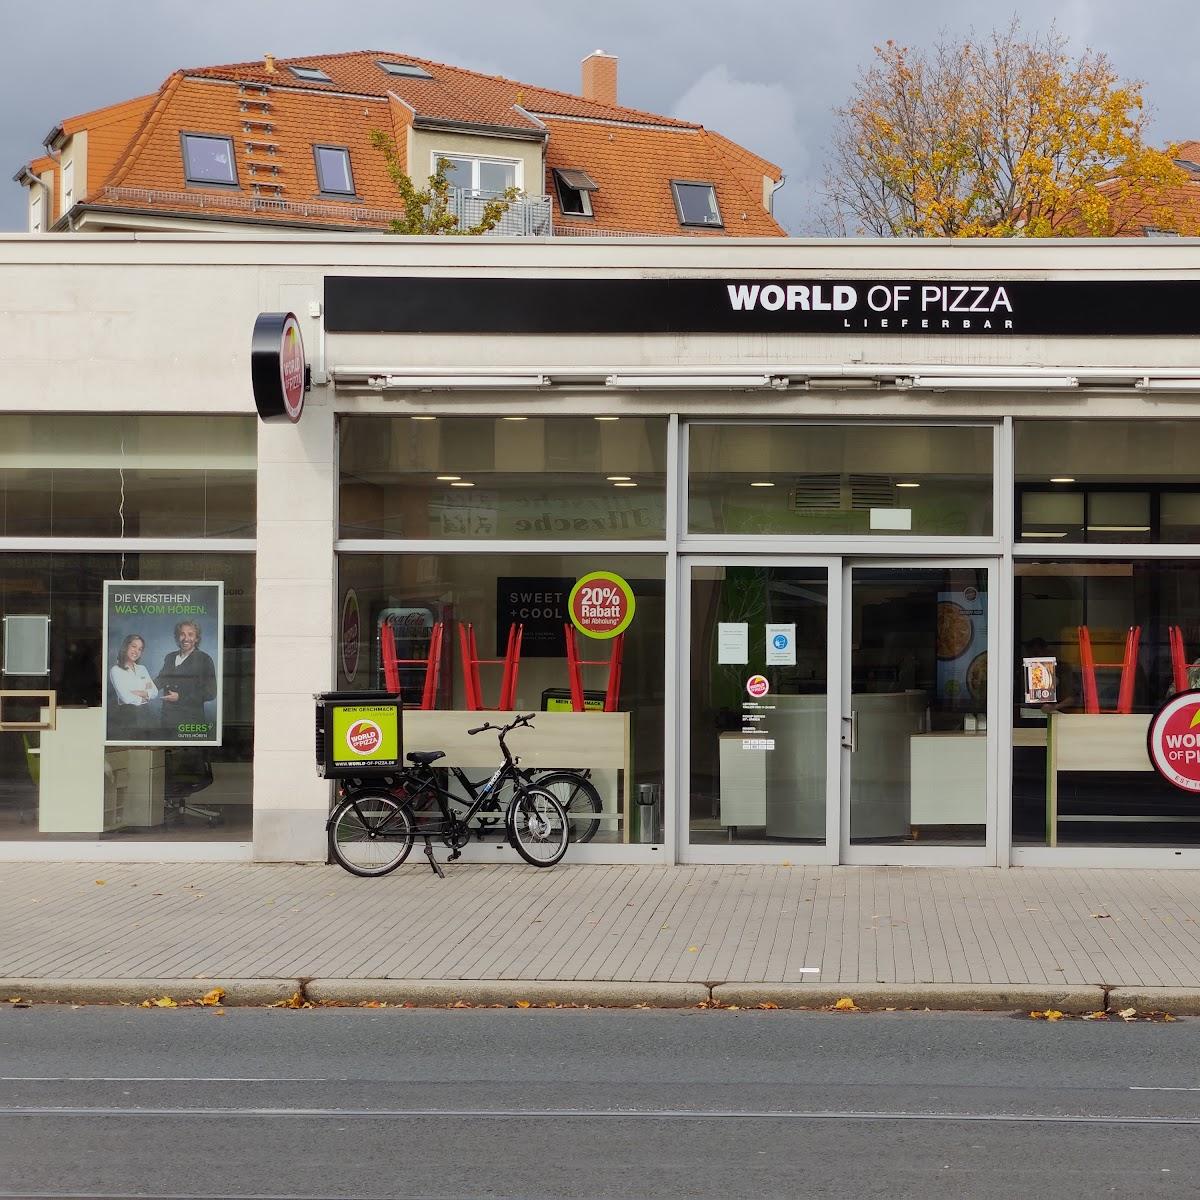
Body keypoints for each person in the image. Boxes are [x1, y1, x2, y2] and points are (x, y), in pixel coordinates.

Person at [155, 620, 217, 739]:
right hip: (168, 719)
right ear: (177, 637)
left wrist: (180, 696)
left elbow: (211, 693)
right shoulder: (170, 657)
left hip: (191, 721)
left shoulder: (204, 659)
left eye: (190, 634)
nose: (186, 638)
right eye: (182, 634)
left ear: (197, 638)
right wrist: (146, 688)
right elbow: (161, 680)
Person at [108, 634, 158, 739]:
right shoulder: (116, 670)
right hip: (128, 715)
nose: (136, 651)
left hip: (146, 715)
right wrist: (145, 696)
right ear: (126, 646)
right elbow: (125, 698)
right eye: (134, 646)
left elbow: (154, 691)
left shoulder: (142, 669)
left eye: (140, 649)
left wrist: (140, 693)